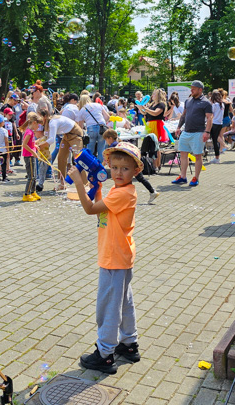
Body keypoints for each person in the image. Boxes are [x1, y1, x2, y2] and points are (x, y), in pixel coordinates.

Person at [70, 141, 143, 374]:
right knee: (124, 302)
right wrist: (95, 186)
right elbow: (100, 207)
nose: (118, 173)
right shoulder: (118, 191)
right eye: (115, 167)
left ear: (135, 171)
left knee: (108, 307)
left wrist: (80, 185)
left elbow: (91, 209)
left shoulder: (124, 193)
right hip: (119, 256)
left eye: (125, 168)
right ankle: (129, 344)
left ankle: (105, 354)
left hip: (113, 257)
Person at [173, 81, 213, 187]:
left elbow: (209, 118)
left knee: (198, 155)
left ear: (200, 90)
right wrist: (178, 127)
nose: (191, 90)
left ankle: (196, 178)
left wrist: (207, 132)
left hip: (198, 132)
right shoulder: (188, 100)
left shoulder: (206, 102)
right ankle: (182, 176)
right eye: (191, 88)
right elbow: (183, 116)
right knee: (183, 154)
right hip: (186, 132)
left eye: (194, 88)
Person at [103, 129, 158, 204]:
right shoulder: (119, 142)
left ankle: (152, 191)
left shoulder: (113, 146)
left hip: (129, 165)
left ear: (110, 138)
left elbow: (106, 160)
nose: (106, 142)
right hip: (131, 164)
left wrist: (101, 166)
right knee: (139, 179)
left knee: (127, 180)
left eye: (106, 140)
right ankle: (152, 191)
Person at [37, 107, 85, 190]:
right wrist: (36, 142)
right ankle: (62, 184)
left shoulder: (52, 122)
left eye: (39, 117)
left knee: (78, 159)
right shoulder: (47, 124)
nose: (38, 120)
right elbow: (46, 137)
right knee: (61, 158)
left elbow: (51, 140)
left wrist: (40, 146)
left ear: (44, 116)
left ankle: (86, 184)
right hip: (66, 135)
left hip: (75, 133)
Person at [138, 89, 169, 171]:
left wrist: (146, 109)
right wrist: (141, 108)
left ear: (158, 95)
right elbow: (145, 113)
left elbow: (155, 113)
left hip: (156, 125)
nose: (152, 95)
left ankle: (157, 165)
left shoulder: (161, 104)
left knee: (156, 146)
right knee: (151, 145)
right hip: (150, 125)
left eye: (154, 94)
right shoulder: (152, 104)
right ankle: (153, 165)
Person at [78, 93, 110, 158]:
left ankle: (91, 165)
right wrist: (103, 123)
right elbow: (107, 117)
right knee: (101, 149)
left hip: (91, 128)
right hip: (102, 127)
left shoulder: (82, 110)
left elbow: (80, 126)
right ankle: (100, 166)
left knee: (90, 149)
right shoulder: (98, 105)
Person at [20, 112, 42, 201]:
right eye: (38, 125)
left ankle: (33, 192)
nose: (38, 128)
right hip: (28, 156)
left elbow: (30, 143)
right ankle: (26, 194)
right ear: (34, 123)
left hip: (31, 155)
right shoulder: (29, 132)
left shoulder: (31, 132)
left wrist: (35, 146)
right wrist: (33, 152)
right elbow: (24, 144)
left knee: (34, 175)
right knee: (31, 176)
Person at [208, 89, 225, 164]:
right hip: (220, 123)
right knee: (216, 139)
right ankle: (217, 156)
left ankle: (217, 157)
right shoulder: (222, 104)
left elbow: (211, 115)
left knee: (214, 141)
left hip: (214, 123)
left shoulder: (214, 105)